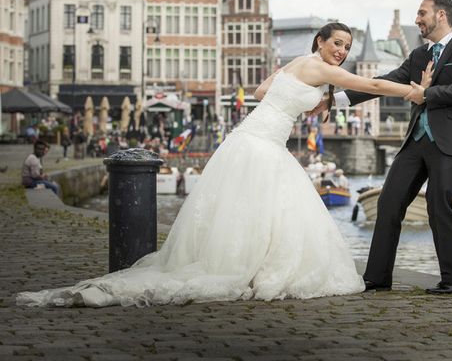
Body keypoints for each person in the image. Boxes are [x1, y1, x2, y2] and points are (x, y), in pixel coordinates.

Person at [17, 22, 428, 308]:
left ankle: (240, 262)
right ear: (320, 42)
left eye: (346, 48)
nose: (341, 51)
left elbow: (263, 89)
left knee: (242, 210)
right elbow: (372, 85)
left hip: (248, 138)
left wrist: (313, 100)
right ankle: (250, 267)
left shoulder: (296, 65)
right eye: (337, 43)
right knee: (273, 210)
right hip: (265, 144)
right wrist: (414, 90)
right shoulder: (320, 68)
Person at [311, 0, 452, 295]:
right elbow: (381, 82)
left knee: (438, 203)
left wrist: (426, 95)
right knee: (388, 202)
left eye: (422, 13)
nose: (416, 20)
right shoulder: (419, 55)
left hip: (451, 140)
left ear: (441, 15)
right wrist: (332, 100)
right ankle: (377, 278)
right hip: (416, 141)